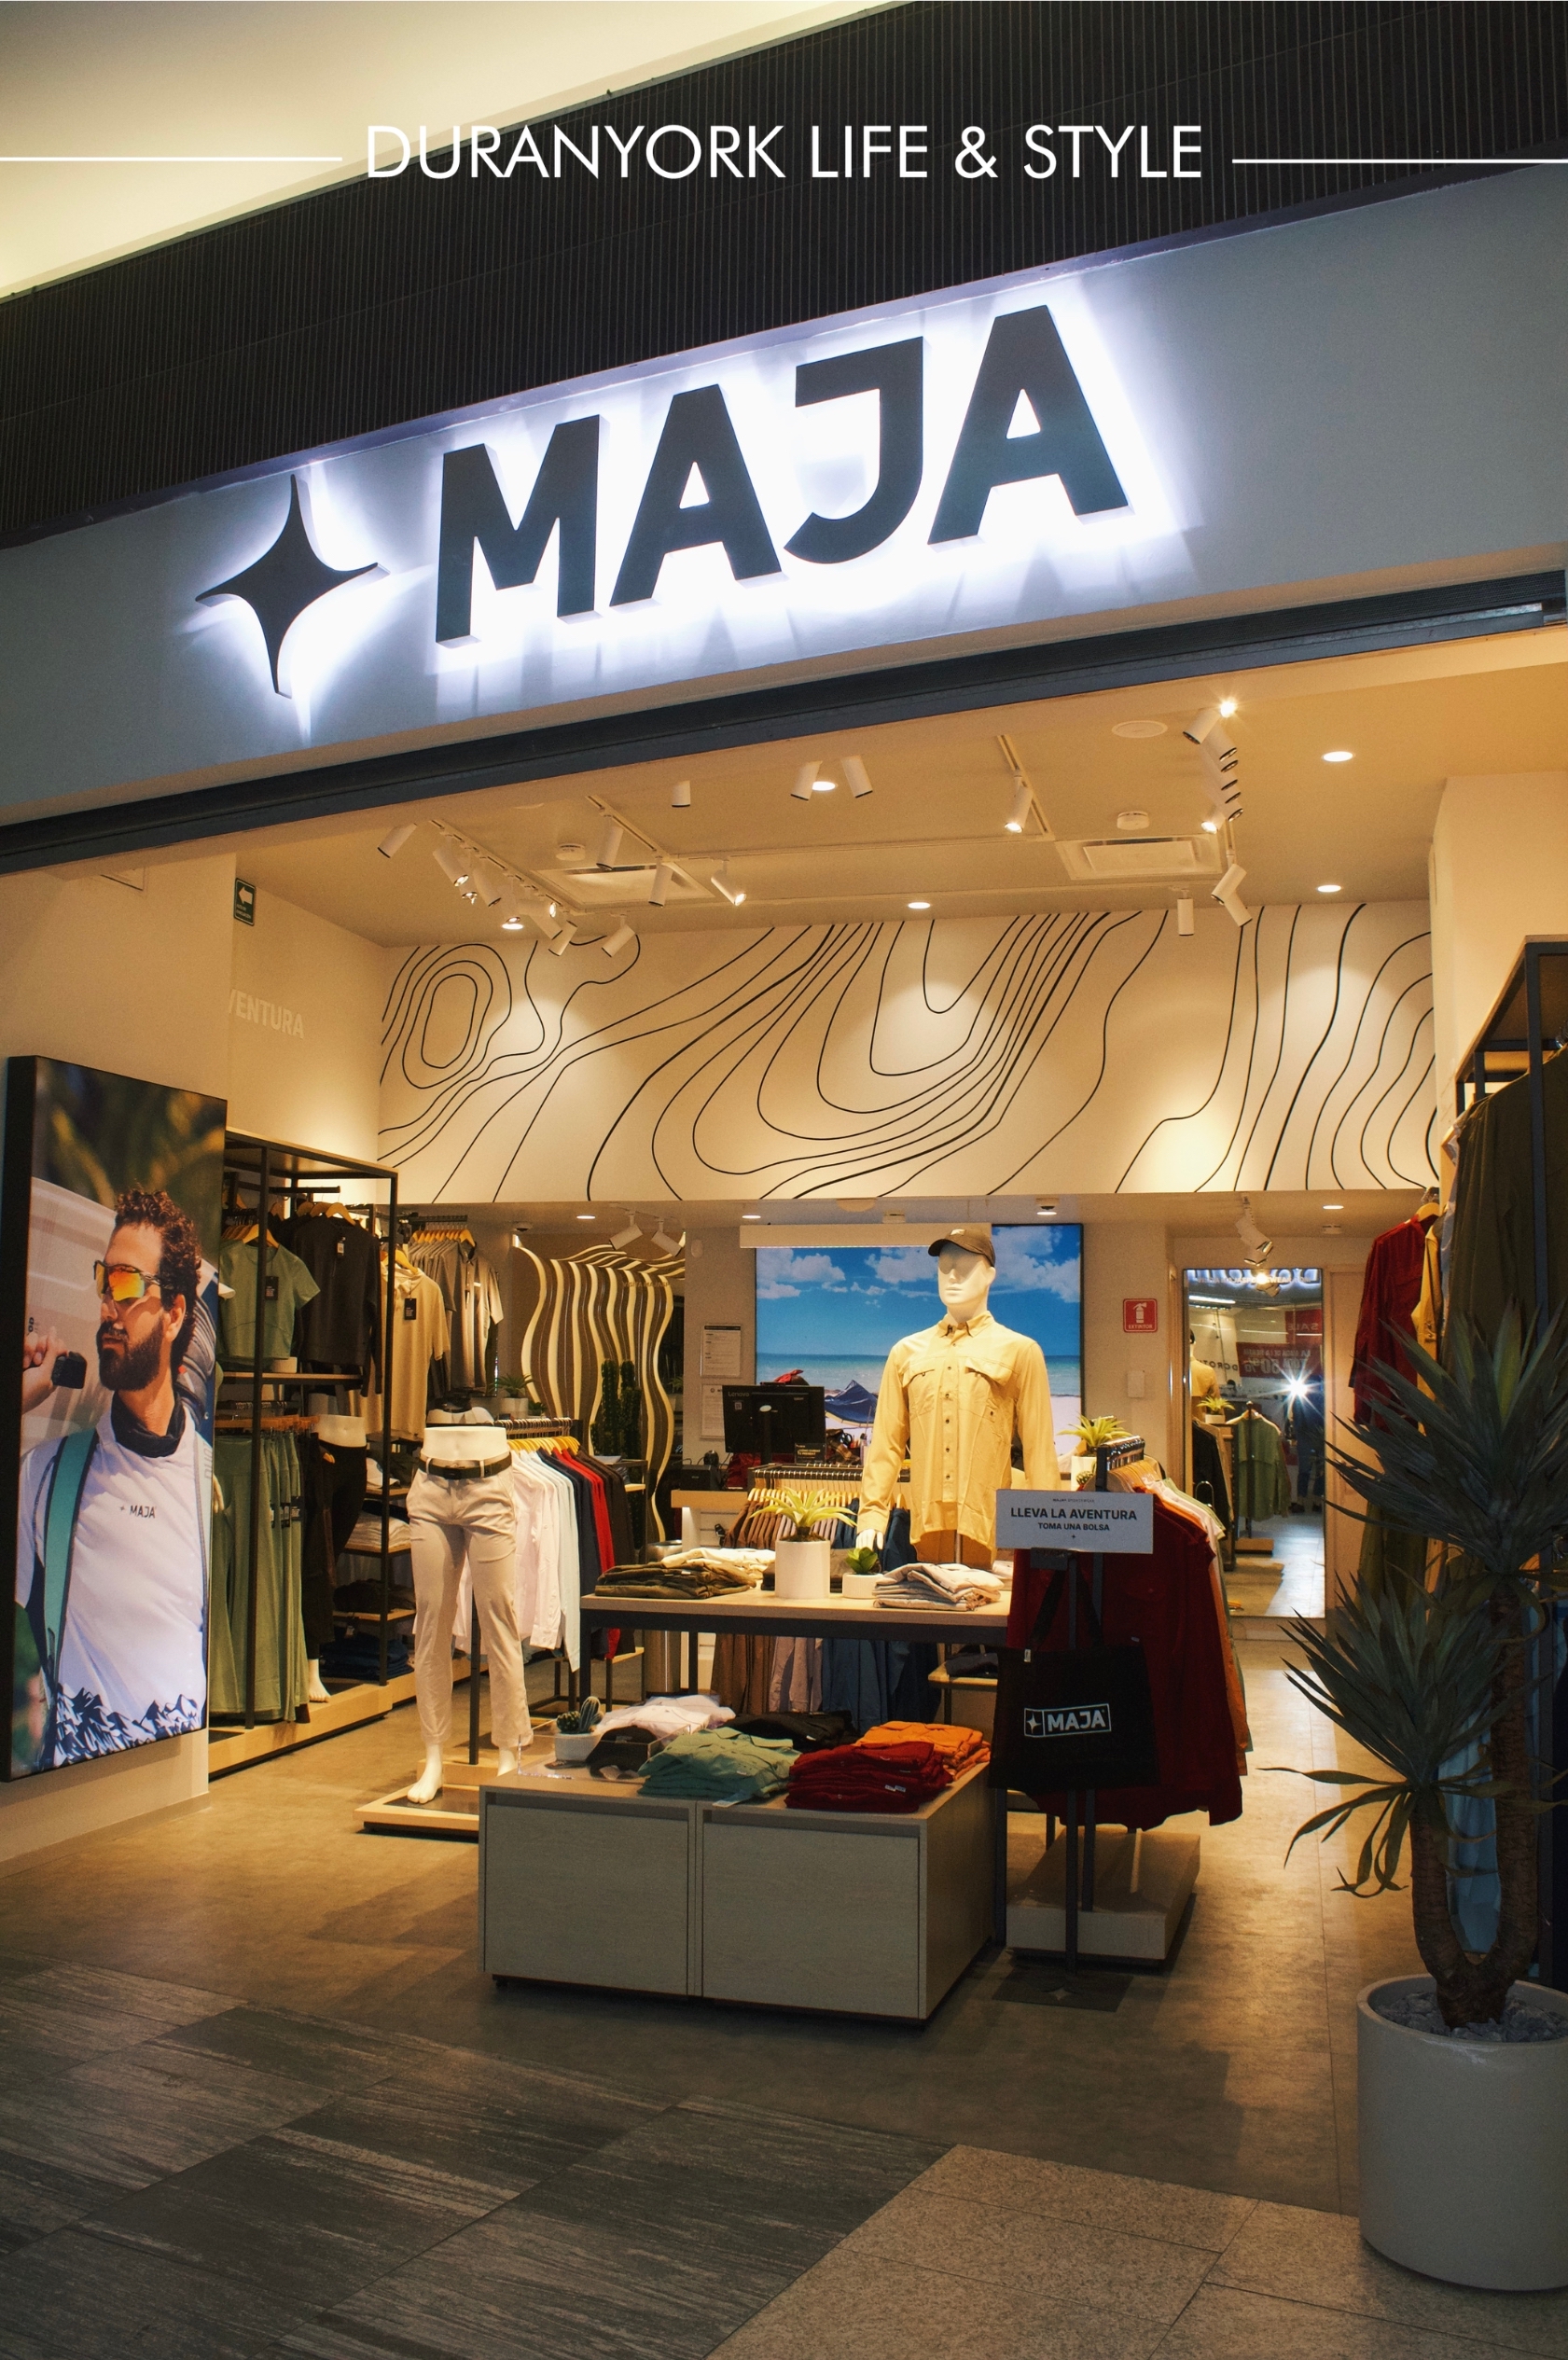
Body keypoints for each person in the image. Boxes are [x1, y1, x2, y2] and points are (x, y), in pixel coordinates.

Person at [15, 1187, 212, 1770]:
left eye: (127, 1285)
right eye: (105, 1281)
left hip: (179, 1781)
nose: (108, 1305)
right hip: (70, 1790)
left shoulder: (208, 1483)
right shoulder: (48, 1474)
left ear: (173, 1314)